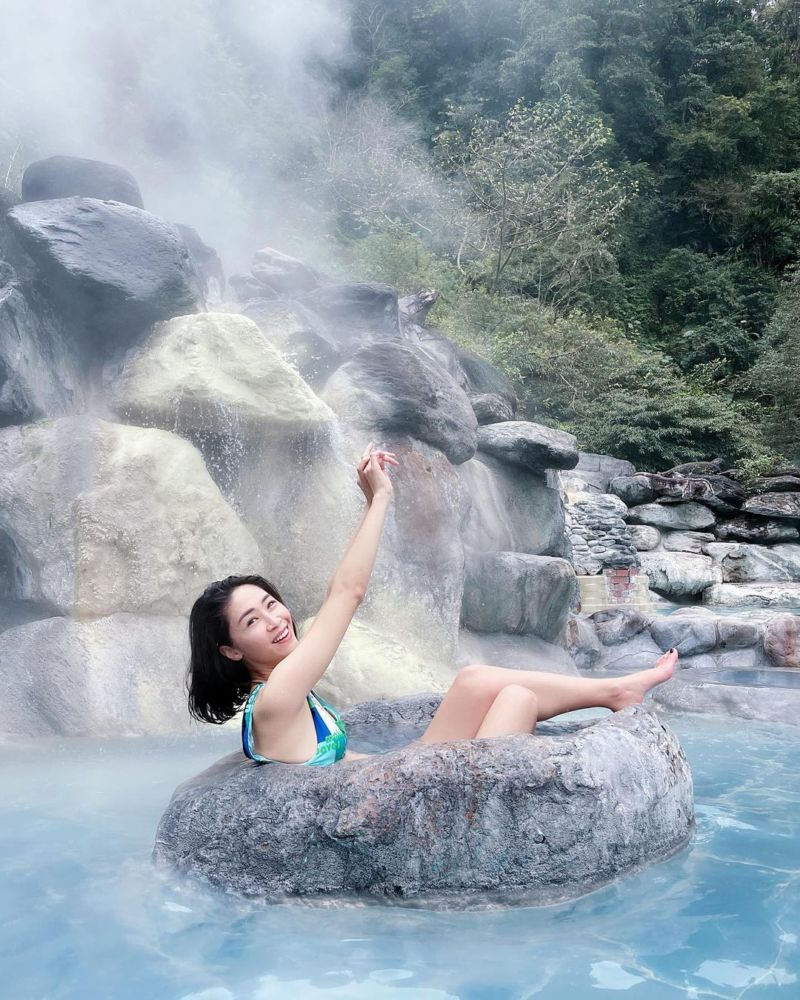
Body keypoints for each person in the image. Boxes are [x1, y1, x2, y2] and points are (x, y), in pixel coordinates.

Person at [187, 442, 678, 766]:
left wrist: (393, 760)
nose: (275, 619)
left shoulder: (284, 693)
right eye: (252, 620)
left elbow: (332, 764)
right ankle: (616, 692)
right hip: (399, 810)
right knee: (517, 699)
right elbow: (346, 593)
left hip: (390, 777)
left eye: (271, 604)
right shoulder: (276, 698)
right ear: (230, 649)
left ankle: (615, 691)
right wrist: (380, 499)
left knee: (476, 680)